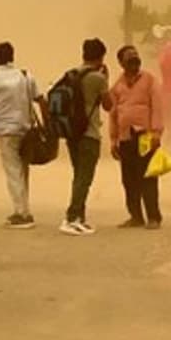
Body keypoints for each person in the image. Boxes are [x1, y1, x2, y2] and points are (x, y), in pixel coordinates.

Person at [0, 41, 47, 229]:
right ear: (12, 57)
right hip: (25, 130)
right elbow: (41, 100)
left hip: (6, 131)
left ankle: (21, 214)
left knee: (12, 172)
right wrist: (48, 126)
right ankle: (25, 210)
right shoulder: (25, 76)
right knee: (23, 171)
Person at [58, 38, 113, 237]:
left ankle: (79, 218)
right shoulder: (98, 79)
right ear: (100, 57)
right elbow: (109, 105)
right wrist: (106, 78)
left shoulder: (71, 74)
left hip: (72, 133)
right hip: (89, 134)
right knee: (84, 178)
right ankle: (72, 218)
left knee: (78, 176)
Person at [109, 45, 164, 230]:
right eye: (129, 58)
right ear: (121, 63)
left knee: (148, 177)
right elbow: (113, 114)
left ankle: (153, 217)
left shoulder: (149, 80)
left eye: (136, 57)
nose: (134, 61)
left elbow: (157, 106)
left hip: (145, 135)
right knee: (129, 180)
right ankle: (136, 216)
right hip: (125, 138)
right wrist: (113, 140)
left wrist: (157, 132)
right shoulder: (117, 86)